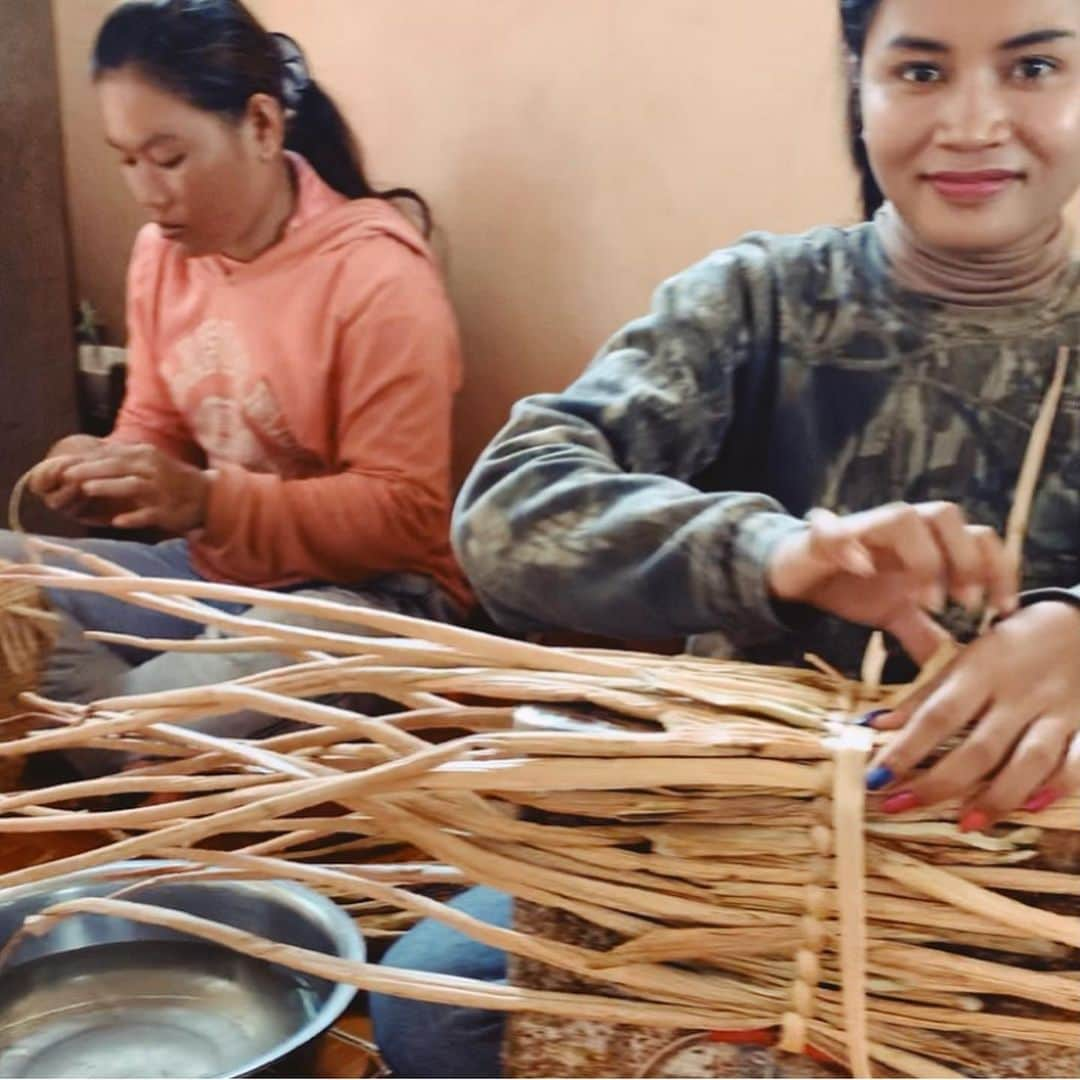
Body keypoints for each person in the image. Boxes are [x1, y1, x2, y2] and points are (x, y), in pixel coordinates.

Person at [372, 0, 1080, 1074]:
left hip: (1011, 890)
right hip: (726, 850)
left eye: (1032, 68)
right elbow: (506, 507)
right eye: (922, 72)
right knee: (440, 1002)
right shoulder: (761, 305)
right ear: (860, 81)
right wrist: (773, 556)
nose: (975, 122)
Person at [9, 0, 469, 736]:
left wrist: (207, 500)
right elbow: (153, 423)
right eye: (125, 160)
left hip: (370, 598)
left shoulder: (377, 276)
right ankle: (117, 730)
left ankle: (115, 730)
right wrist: (104, 469)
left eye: (169, 158)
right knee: (8, 580)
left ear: (260, 125)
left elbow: (405, 515)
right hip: (214, 574)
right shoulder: (161, 253)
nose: (147, 191)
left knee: (153, 723)